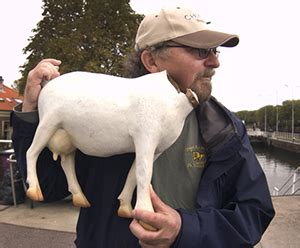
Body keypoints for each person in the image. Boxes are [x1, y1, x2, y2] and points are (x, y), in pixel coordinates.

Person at [11, 6, 275, 248]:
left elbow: (254, 212)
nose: (215, 62)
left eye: (214, 51)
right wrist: (29, 114)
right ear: (151, 61)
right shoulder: (98, 109)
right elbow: (49, 186)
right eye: (200, 51)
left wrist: (186, 230)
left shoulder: (224, 129)